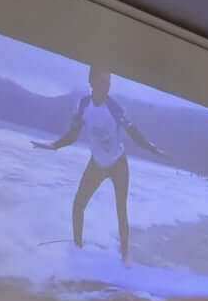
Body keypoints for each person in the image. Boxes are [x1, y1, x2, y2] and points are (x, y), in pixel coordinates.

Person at [33, 65, 168, 263]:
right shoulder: (82, 106)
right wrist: (53, 145)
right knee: (78, 205)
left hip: (118, 164)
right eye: (103, 81)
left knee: (121, 211)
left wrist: (151, 148)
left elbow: (133, 132)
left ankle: (125, 258)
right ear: (92, 82)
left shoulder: (115, 108)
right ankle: (77, 249)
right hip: (96, 164)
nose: (107, 86)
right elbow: (73, 135)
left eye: (109, 82)